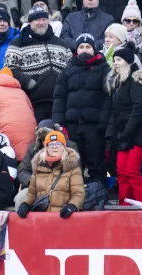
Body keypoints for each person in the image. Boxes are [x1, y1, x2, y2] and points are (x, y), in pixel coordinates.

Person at [52, 33, 110, 182]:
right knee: (75, 164)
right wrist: (58, 122)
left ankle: (98, 194)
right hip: (73, 124)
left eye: (88, 47)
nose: (85, 50)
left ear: (94, 49)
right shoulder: (68, 68)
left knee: (96, 163)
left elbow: (108, 97)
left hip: (94, 125)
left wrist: (104, 122)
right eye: (81, 47)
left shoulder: (104, 68)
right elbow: (59, 96)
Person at [5, 5, 72, 121]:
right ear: (30, 22)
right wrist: (29, 83)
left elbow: (71, 68)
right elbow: (9, 69)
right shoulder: (18, 44)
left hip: (59, 102)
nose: (41, 23)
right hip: (32, 102)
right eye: (37, 20)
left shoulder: (61, 44)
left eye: (44, 19)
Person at [14, 128, 84, 217]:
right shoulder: (38, 166)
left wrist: (72, 206)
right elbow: (31, 194)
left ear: (64, 146)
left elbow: (78, 194)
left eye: (58, 144)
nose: (54, 147)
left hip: (63, 218)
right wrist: (26, 204)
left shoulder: (73, 168)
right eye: (51, 144)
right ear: (46, 148)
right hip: (42, 219)